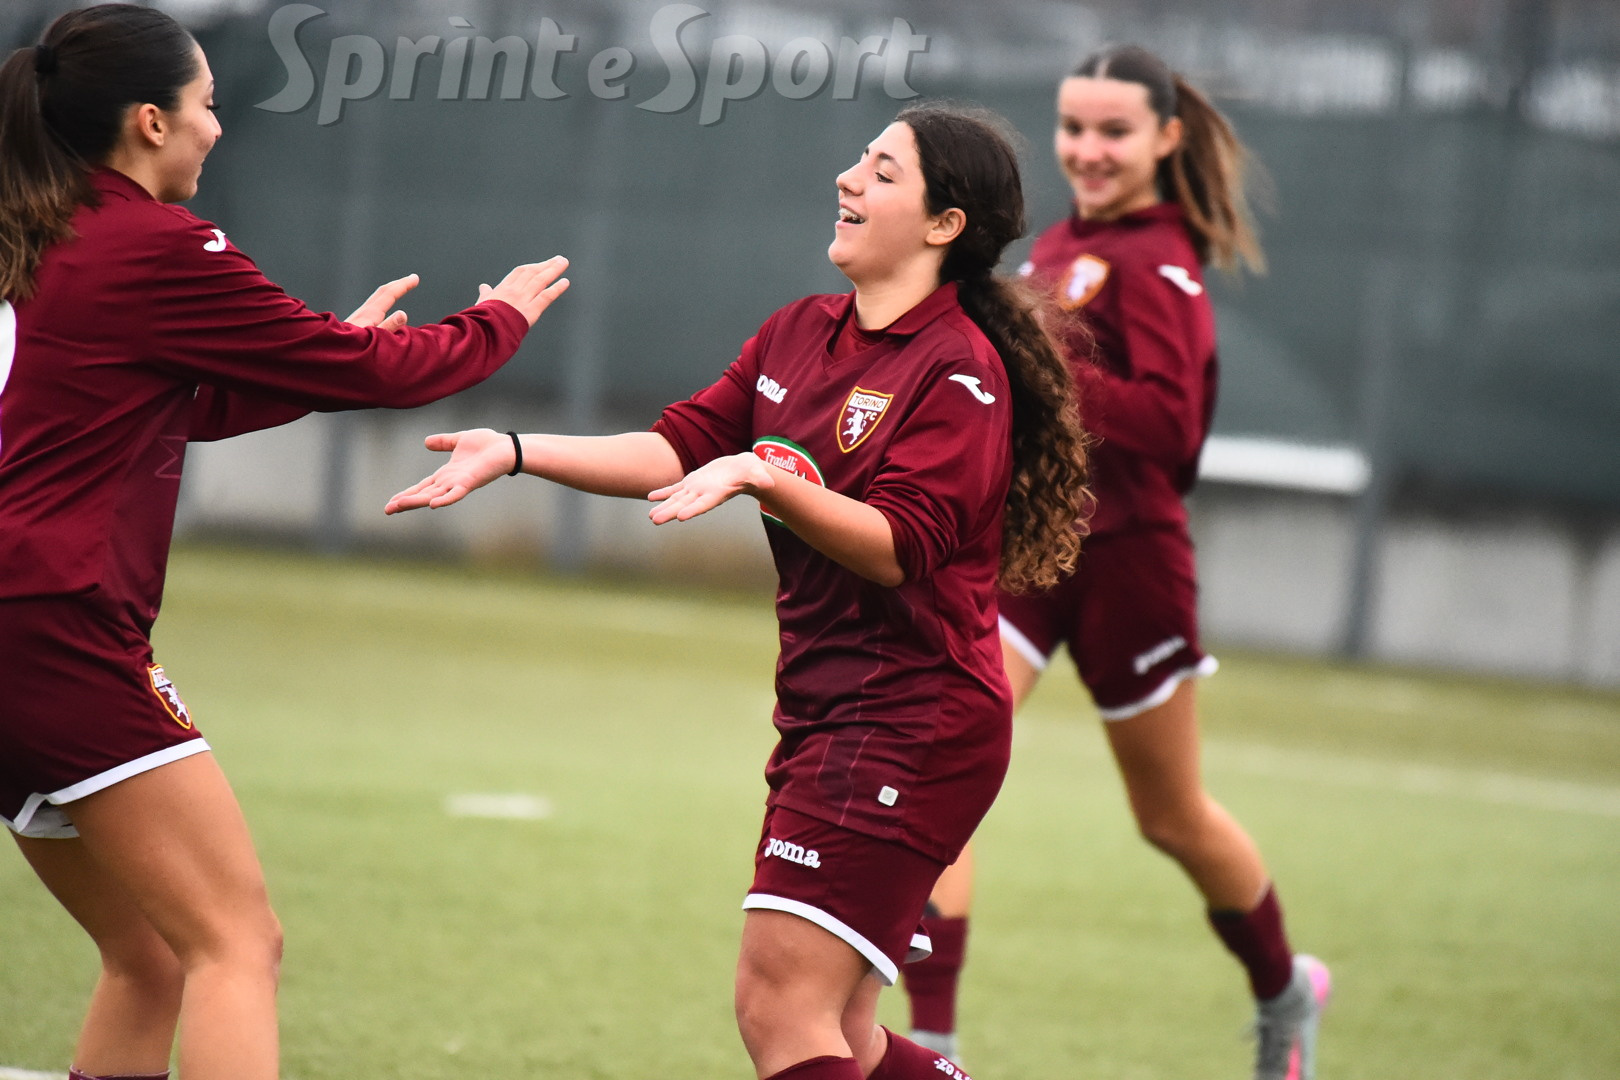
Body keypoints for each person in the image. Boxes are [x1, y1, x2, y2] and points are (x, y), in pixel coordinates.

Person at [385, 103, 1092, 1080]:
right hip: (834, 709)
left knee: (780, 1007)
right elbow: (677, 446)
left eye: (884, 172)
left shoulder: (960, 371)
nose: (849, 178)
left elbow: (901, 547)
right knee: (842, 1035)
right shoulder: (798, 332)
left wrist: (768, 479)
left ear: (945, 225)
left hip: (910, 719)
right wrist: (512, 450)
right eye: (860, 160)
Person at [0, 7, 569, 1080]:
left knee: (147, 957)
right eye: (207, 105)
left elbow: (164, 408)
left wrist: (329, 357)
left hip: (22, 634)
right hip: (53, 632)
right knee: (235, 943)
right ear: (150, 122)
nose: (218, 128)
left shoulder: (40, 231)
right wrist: (497, 322)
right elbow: (371, 371)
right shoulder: (154, 246)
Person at [898, 45, 1332, 1080]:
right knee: (939, 762)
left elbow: (1173, 430)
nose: (1088, 150)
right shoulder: (1058, 243)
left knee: (1170, 818)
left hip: (1131, 567)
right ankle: (933, 1044)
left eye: (1114, 132)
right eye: (1074, 128)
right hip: (1032, 553)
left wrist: (1036, 366)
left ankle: (1286, 992)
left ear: (1166, 138)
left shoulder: (1161, 262)